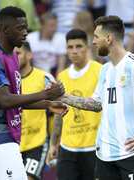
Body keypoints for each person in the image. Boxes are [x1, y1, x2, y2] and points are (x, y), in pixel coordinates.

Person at [59, 16, 134, 180]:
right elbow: (96, 104)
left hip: (131, 153)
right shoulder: (105, 70)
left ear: (108, 38)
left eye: (96, 37)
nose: (93, 42)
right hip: (105, 156)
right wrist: (62, 97)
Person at [0, 6, 66, 180]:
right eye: (20, 28)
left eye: (26, 28)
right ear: (5, 29)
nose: (25, 33)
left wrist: (48, 105)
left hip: (5, 136)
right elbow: (5, 100)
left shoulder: (12, 56)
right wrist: (45, 95)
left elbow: (15, 100)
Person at [46, 29, 102, 180]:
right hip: (67, 148)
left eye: (79, 46)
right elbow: (60, 111)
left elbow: (100, 106)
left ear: (87, 47)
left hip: (95, 147)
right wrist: (53, 143)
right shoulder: (62, 76)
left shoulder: (100, 70)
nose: (74, 51)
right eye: (70, 47)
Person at [15, 41, 56, 180]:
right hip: (13, 145)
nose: (14, 57)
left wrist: (54, 143)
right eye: (11, 54)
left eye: (18, 53)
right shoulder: (6, 82)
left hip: (37, 143)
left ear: (29, 55)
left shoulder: (44, 78)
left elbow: (56, 112)